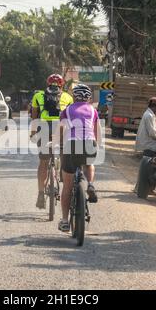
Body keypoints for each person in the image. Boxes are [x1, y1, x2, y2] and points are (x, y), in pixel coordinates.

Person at [58, 84, 101, 232]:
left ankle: (64, 220)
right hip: (90, 142)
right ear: (89, 98)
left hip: (71, 145)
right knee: (89, 164)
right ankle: (90, 184)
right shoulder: (93, 111)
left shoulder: (66, 110)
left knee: (67, 186)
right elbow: (95, 132)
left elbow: (61, 130)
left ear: (74, 97)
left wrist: (57, 144)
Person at [30, 74, 74, 209]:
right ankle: (62, 177)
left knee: (43, 161)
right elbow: (70, 117)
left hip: (43, 128)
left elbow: (34, 116)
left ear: (47, 83)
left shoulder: (38, 95)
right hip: (61, 128)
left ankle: (41, 194)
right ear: (62, 84)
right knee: (64, 155)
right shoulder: (68, 97)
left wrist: (32, 133)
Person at [134, 97, 156, 195]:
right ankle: (150, 188)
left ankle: (138, 187)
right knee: (154, 166)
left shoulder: (148, 114)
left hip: (147, 143)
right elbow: (152, 133)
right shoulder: (149, 115)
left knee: (145, 166)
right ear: (154, 106)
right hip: (149, 144)